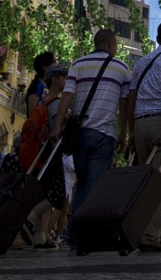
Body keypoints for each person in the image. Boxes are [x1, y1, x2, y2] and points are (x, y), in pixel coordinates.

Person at [52, 29, 131, 231]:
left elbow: (67, 96)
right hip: (105, 134)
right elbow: (124, 103)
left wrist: (58, 124)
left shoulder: (78, 64)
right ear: (112, 45)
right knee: (93, 186)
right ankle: (82, 234)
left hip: (80, 134)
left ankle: (74, 232)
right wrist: (124, 132)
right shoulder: (121, 68)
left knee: (83, 183)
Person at [127, 21, 161, 253]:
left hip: (140, 124)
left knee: (144, 182)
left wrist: (131, 131)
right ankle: (150, 236)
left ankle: (137, 231)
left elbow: (131, 96)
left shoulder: (142, 62)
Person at [31, 64, 68, 249]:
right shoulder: (56, 103)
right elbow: (59, 127)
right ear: (55, 80)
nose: (66, 80)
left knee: (43, 193)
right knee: (59, 196)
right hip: (52, 152)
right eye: (64, 77)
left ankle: (40, 237)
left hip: (41, 152)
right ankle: (30, 215)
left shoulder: (42, 101)